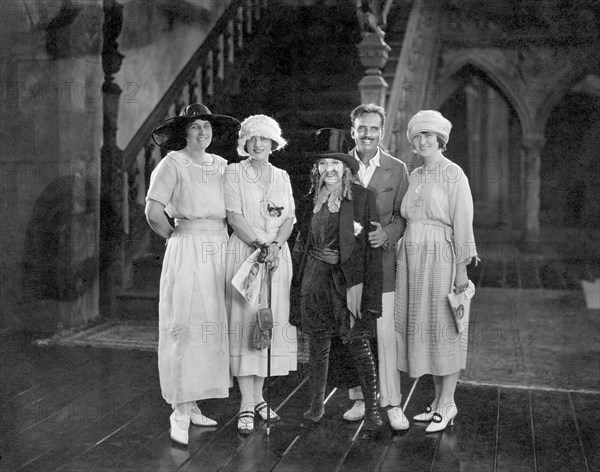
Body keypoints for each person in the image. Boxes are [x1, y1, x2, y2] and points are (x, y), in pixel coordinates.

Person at [145, 103, 241, 446]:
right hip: (187, 245)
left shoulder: (222, 165)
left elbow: (237, 207)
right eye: (196, 127)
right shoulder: (173, 163)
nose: (202, 133)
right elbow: (154, 212)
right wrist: (175, 239)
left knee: (209, 325)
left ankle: (195, 401)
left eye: (207, 127)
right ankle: (179, 410)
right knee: (183, 324)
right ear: (184, 132)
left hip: (219, 244)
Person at [294, 128, 384, 436]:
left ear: (346, 167)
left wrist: (372, 298)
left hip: (348, 283)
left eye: (335, 163)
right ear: (316, 167)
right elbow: (302, 244)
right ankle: (316, 407)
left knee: (358, 343)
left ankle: (372, 410)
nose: (329, 169)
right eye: (323, 163)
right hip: (314, 280)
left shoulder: (363, 198)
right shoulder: (309, 200)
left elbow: (373, 253)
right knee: (317, 345)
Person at [394, 110, 478, 433]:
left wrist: (461, 271)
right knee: (425, 327)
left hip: (441, 256)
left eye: (430, 135)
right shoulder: (415, 176)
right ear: (413, 143)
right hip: (412, 260)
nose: (424, 140)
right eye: (418, 136)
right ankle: (436, 401)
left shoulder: (454, 175)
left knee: (447, 327)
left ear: (440, 140)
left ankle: (448, 402)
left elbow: (462, 225)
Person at [224, 114, 297, 435]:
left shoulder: (282, 176)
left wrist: (276, 246)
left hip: (276, 257)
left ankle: (259, 398)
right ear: (245, 143)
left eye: (263, 139)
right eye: (252, 139)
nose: (257, 144)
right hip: (246, 254)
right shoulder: (233, 172)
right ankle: (245, 404)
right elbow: (233, 215)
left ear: (273, 143)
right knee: (244, 325)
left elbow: (290, 219)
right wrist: (259, 244)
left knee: (267, 324)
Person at [341, 103, 410, 431]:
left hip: (381, 262)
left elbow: (402, 215)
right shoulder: (340, 166)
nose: (367, 133)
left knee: (384, 335)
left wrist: (388, 233)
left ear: (381, 132)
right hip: (347, 265)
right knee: (354, 331)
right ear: (352, 129)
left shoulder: (396, 169)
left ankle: (393, 403)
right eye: (361, 128)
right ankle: (359, 398)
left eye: (373, 128)